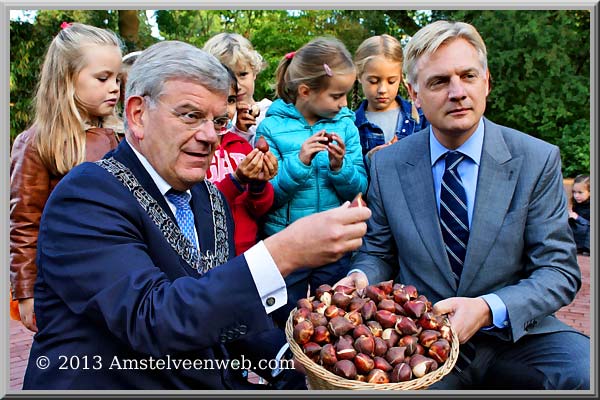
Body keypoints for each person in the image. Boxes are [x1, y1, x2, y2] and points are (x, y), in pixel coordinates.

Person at [22, 40, 371, 390]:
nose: (210, 137)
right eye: (190, 115)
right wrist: (284, 253)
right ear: (138, 114)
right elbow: (154, 319)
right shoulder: (87, 195)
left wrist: (290, 362)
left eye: (219, 121)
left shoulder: (208, 197)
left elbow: (218, 305)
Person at [338, 20, 589, 389]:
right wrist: (360, 279)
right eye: (439, 81)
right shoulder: (386, 164)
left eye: (468, 76)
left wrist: (488, 308)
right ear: (415, 93)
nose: (457, 92)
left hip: (518, 334)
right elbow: (377, 253)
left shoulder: (536, 160)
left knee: (586, 371)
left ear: (486, 82)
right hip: (418, 341)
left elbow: (559, 272)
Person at [9, 22, 123, 332]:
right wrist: (26, 292)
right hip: (64, 285)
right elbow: (24, 223)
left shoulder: (122, 137)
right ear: (66, 80)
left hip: (119, 278)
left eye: (117, 78)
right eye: (102, 78)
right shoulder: (36, 143)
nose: (114, 87)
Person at [257, 37, 368, 327]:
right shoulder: (271, 127)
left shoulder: (345, 124)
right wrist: (300, 162)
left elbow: (359, 187)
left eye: (346, 94)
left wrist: (339, 166)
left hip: (333, 244)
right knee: (283, 322)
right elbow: (268, 197)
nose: (344, 103)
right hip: (286, 244)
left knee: (332, 319)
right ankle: (284, 369)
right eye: (336, 96)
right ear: (305, 91)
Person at [207, 66, 277, 255]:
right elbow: (204, 205)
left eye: (230, 100)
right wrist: (236, 181)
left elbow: (259, 208)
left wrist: (258, 185)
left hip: (246, 251)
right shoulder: (196, 151)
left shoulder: (241, 146)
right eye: (217, 100)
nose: (224, 109)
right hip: (210, 252)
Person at [352, 34, 429, 169]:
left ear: (400, 77)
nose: (382, 89)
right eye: (373, 81)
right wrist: (370, 160)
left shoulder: (420, 116)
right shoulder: (351, 125)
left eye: (391, 81)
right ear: (359, 76)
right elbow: (349, 175)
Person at [203, 32, 271, 147]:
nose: (237, 86)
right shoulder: (212, 121)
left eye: (243, 74)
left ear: (254, 72)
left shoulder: (270, 112)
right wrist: (240, 130)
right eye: (227, 77)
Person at [568, 174, 590, 255]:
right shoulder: (577, 203)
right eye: (574, 192)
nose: (576, 195)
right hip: (580, 232)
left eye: (580, 192)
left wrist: (577, 218)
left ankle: (586, 248)